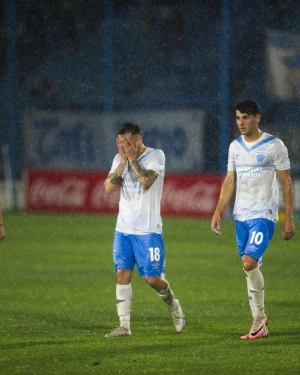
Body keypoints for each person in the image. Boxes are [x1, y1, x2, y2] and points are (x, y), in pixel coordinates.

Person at [211, 100, 295, 340]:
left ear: (257, 117)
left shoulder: (274, 146)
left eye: (246, 117)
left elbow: (286, 183)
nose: (241, 122)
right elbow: (230, 180)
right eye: (238, 118)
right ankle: (261, 320)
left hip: (264, 214)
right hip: (241, 215)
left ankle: (258, 319)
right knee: (249, 267)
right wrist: (218, 211)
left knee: (249, 262)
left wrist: (288, 219)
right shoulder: (235, 147)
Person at [104, 122, 185, 337]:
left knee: (152, 279)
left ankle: (173, 305)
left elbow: (145, 182)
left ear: (138, 140)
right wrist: (123, 161)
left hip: (148, 230)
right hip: (123, 228)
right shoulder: (118, 159)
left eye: (127, 142)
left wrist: (132, 159)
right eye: (120, 142)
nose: (123, 146)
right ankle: (124, 326)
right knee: (122, 273)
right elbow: (108, 188)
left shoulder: (156, 156)